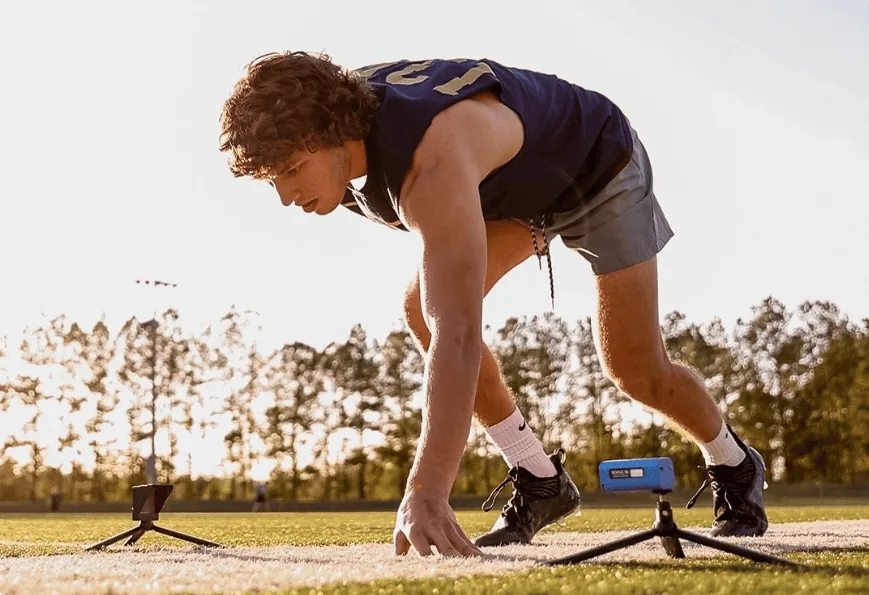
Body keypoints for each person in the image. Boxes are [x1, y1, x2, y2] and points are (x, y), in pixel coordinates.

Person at [218, 52, 769, 558]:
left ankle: (734, 463)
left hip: (594, 167)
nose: (287, 196)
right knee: (419, 311)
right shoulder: (336, 124)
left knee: (634, 367)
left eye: (291, 170)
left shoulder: (430, 157)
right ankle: (539, 478)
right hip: (513, 192)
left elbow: (457, 330)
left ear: (335, 131)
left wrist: (427, 489)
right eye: (273, 179)